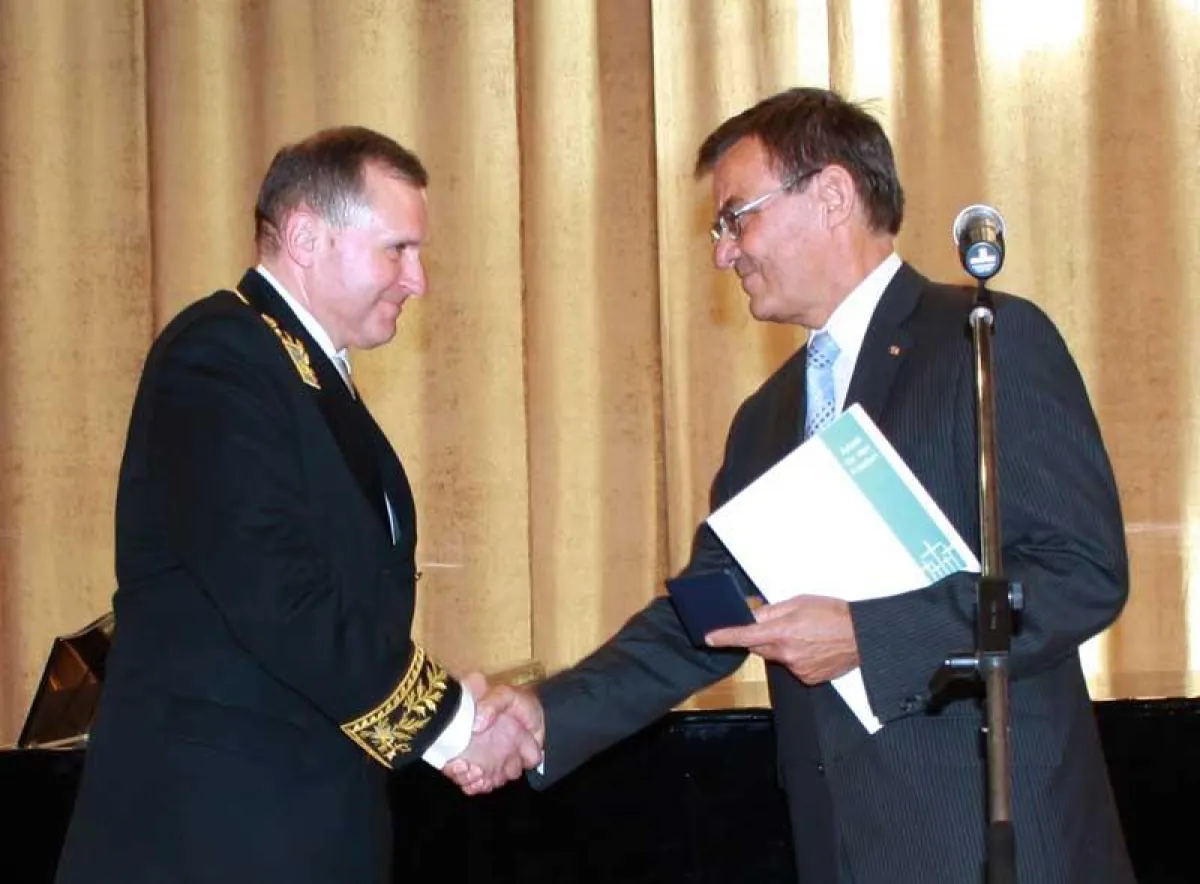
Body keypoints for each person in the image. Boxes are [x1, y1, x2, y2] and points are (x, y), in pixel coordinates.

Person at [464, 88, 1135, 883]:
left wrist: (866, 636)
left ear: (832, 196)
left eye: (736, 217)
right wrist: (549, 712)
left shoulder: (983, 340)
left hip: (993, 842)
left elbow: (1080, 573)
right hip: (840, 847)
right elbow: (710, 612)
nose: (724, 251)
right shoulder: (767, 417)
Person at [55, 126, 541, 884]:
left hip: (297, 827)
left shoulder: (306, 374)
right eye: (398, 250)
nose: (419, 281)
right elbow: (280, 595)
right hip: (209, 839)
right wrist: (451, 724)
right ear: (308, 238)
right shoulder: (218, 354)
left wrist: (450, 710)